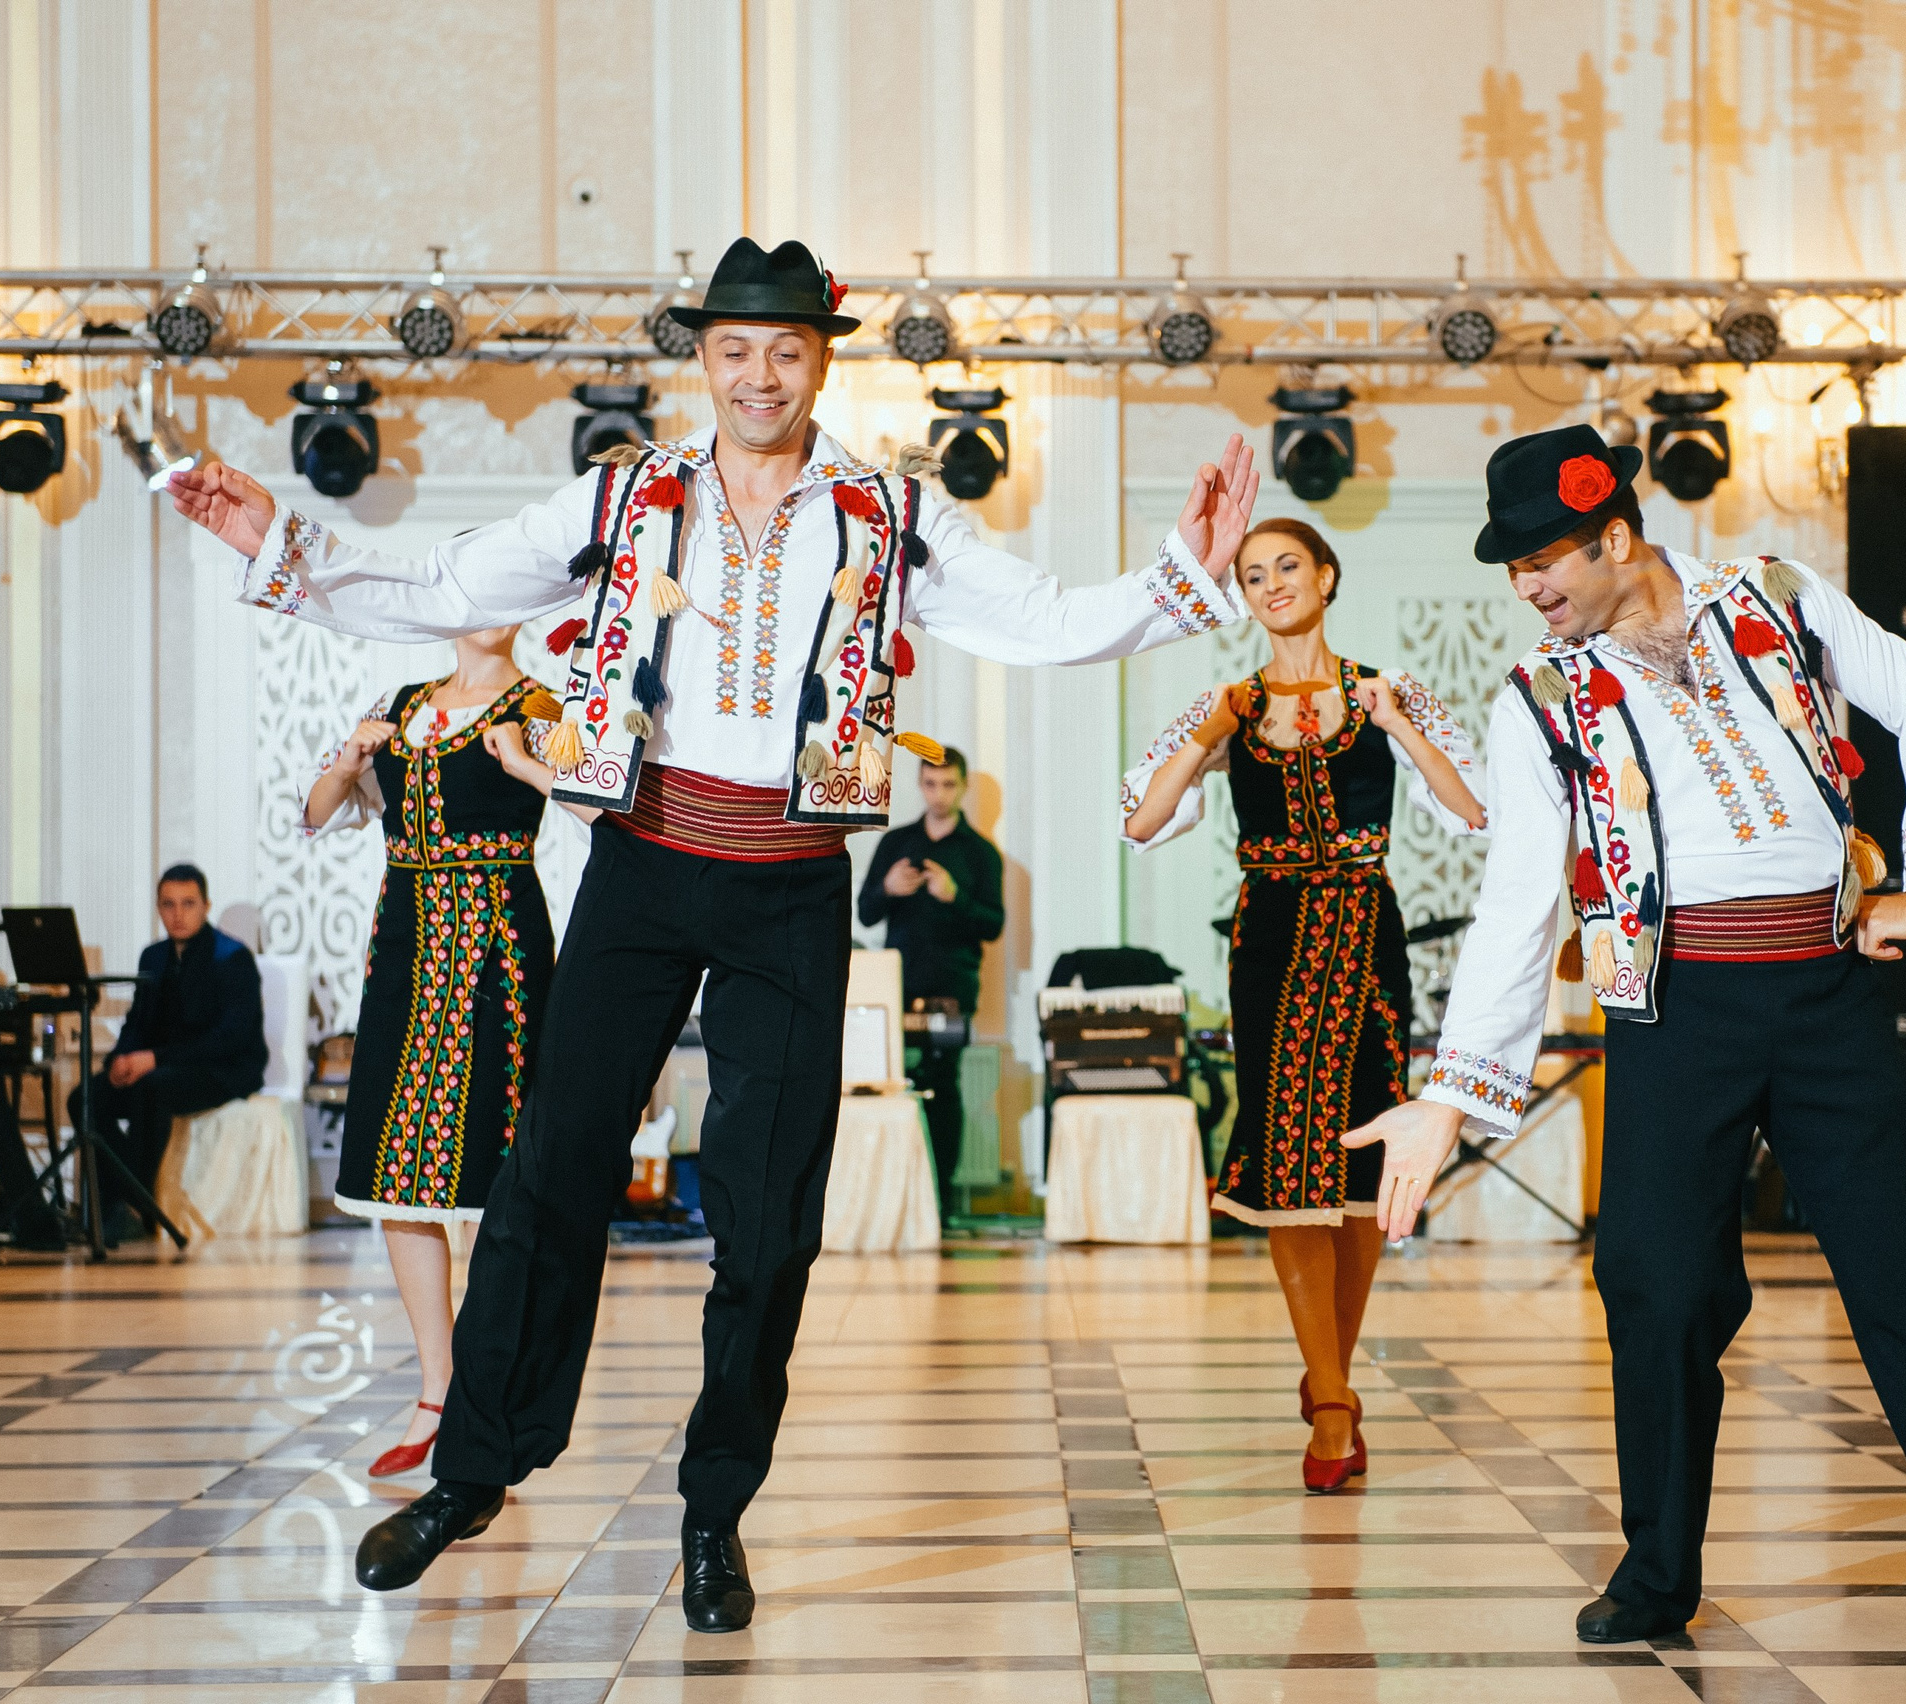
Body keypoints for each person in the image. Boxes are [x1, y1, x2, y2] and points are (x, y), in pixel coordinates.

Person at [168, 236, 1258, 1631]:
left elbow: (1039, 618)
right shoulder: (625, 495)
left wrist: (1180, 573)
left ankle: (712, 1512)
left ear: (820, 360)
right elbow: (451, 584)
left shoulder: (887, 511)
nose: (760, 374)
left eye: (787, 350)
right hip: (640, 870)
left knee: (769, 1225)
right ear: (704, 360)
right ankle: (474, 1468)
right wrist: (280, 544)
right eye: (735, 350)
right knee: (549, 1171)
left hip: (792, 885)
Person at [1341, 425, 1906, 1661]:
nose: (1530, 588)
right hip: (1671, 1006)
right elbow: (1519, 898)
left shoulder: (1779, 597)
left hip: (1824, 992)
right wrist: (1453, 1094)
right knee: (1660, 1289)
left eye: (1546, 558)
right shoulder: (1537, 699)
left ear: (1616, 537)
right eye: (1513, 568)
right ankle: (1655, 1573)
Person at [1122, 518, 1483, 1493]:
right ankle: (1331, 1400)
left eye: (1287, 566)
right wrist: (1204, 734)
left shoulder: (1387, 691)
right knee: (1287, 1160)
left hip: (1366, 933)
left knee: (1364, 1157)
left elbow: (1473, 808)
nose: (1271, 584)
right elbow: (1143, 820)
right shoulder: (1228, 703)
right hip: (1271, 940)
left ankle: (1330, 1381)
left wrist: (1400, 722)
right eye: (1252, 575)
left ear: (1326, 576)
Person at [300, 623, 586, 1480]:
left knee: (503, 1168)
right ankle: (437, 1381)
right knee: (398, 1168)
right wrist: (349, 763)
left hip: (497, 942)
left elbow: (601, 809)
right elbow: (314, 815)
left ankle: (493, 1384)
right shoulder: (398, 707)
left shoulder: (539, 707)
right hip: (406, 943)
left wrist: (527, 764)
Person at [70, 865, 268, 1243]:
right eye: (168, 905)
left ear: (206, 906)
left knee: (152, 1088)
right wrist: (120, 1059)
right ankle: (106, 1207)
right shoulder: (154, 956)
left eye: (188, 904)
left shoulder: (232, 957)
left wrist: (154, 1060)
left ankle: (133, 1207)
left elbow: (230, 1038)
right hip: (163, 1064)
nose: (178, 914)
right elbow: (137, 1022)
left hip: (223, 1067)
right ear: (158, 908)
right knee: (84, 1098)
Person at [856, 748, 1004, 1209]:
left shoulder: (980, 852)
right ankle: (898, 1200)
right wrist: (888, 889)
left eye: (948, 784)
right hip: (896, 986)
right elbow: (864, 912)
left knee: (943, 1086)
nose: (939, 794)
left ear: (962, 787)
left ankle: (938, 1201)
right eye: (930, 784)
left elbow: (993, 926)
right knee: (890, 1088)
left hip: (952, 989)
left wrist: (955, 896)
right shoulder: (895, 843)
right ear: (920, 785)